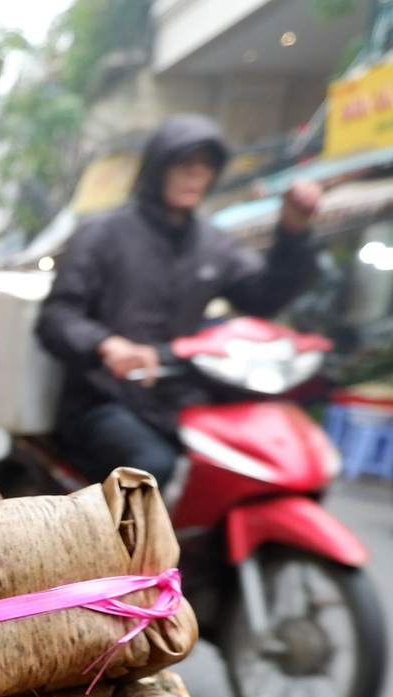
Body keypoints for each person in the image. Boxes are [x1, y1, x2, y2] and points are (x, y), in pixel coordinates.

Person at [36, 114, 322, 485]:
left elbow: (262, 296)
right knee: (153, 466)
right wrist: (106, 345)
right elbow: (57, 316)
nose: (193, 176)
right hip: (101, 398)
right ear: (157, 168)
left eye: (205, 167)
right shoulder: (103, 233)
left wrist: (293, 232)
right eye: (183, 165)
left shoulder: (214, 244)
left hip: (178, 399)